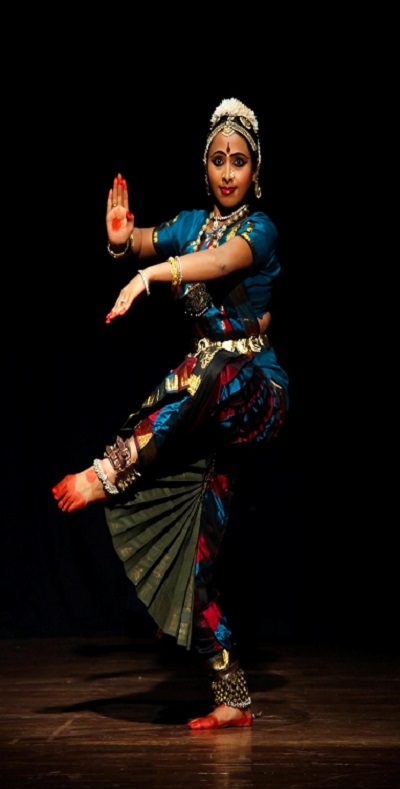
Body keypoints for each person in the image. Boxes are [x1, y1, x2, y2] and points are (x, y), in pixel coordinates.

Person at [52, 97, 289, 730]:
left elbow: (221, 264)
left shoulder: (258, 230)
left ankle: (108, 471)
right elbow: (142, 240)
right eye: (218, 160)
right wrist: (122, 241)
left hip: (255, 397)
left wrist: (151, 276)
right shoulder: (190, 224)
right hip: (209, 421)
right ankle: (232, 696)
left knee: (210, 363)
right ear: (205, 167)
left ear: (256, 169)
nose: (228, 172)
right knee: (196, 565)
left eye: (240, 161)